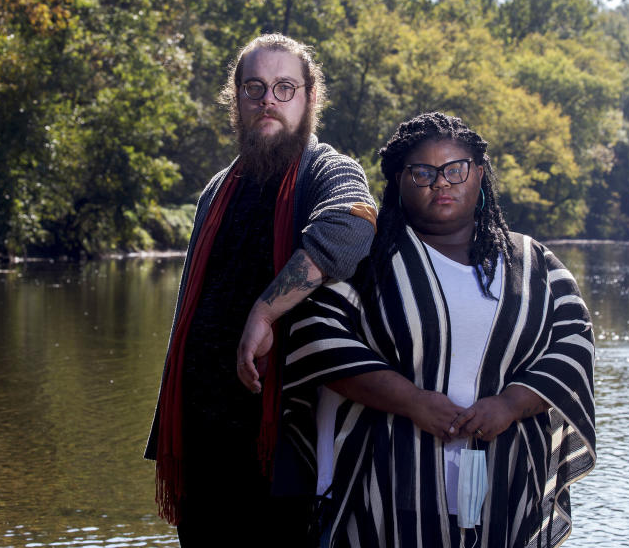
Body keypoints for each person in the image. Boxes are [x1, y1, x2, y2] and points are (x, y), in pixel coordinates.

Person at [279, 112, 596, 548]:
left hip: (503, 475)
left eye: (455, 170)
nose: (441, 183)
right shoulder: (369, 265)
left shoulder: (534, 265)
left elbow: (574, 345)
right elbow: (317, 339)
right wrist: (411, 401)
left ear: (479, 174)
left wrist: (510, 403)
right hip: (390, 479)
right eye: (423, 172)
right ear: (399, 181)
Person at [143, 33, 377, 547]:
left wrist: (265, 313)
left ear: (311, 99)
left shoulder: (328, 171)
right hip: (202, 445)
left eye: (284, 87)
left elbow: (353, 225)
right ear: (237, 101)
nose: (268, 100)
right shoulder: (217, 189)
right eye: (254, 88)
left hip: (280, 448)